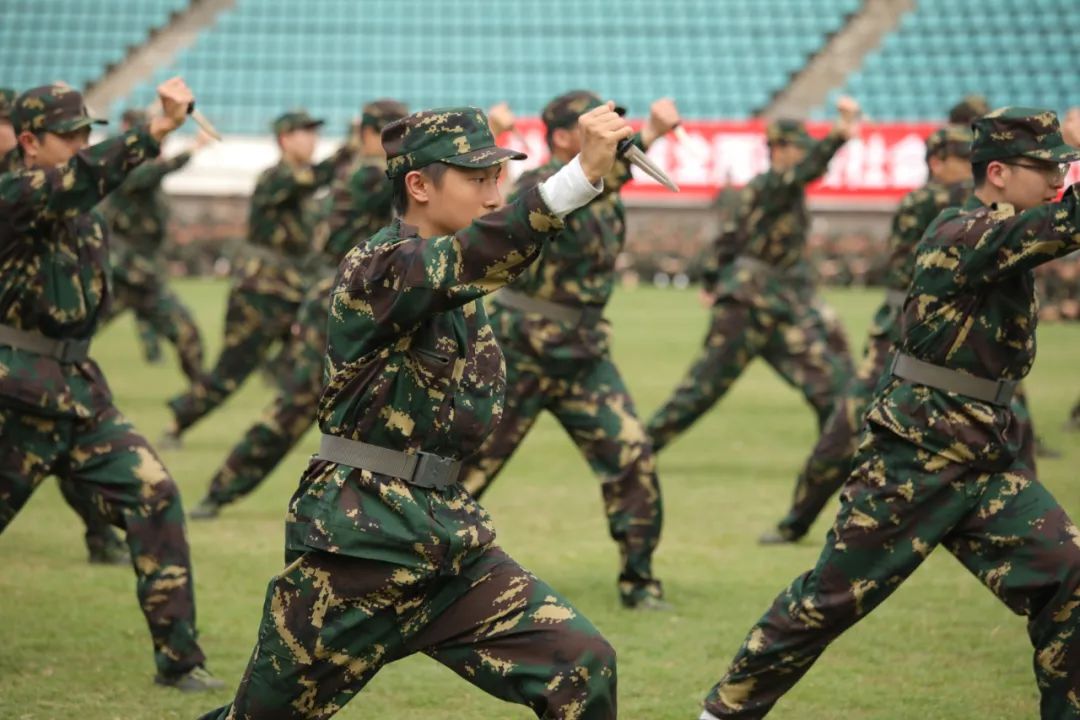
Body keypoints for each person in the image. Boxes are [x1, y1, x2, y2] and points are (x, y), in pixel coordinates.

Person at [199, 103, 630, 719]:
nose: (493, 194)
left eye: (497, 178)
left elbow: (485, 259)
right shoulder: (380, 267)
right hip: (360, 548)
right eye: (477, 179)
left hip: (446, 542)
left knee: (581, 663)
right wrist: (577, 176)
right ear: (420, 185)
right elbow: (479, 253)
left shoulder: (459, 285)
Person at [700, 107, 1080, 720]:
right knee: (828, 600)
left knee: (1070, 580)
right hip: (917, 458)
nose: (1058, 179)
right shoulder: (964, 231)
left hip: (983, 454)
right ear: (1000, 173)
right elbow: (1069, 222)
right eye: (1048, 167)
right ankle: (721, 712)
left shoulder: (1002, 234)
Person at [0, 78, 223, 691]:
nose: (80, 144)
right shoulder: (16, 193)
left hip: (77, 391)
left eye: (84, 133)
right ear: (29, 142)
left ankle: (179, 662)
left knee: (154, 495)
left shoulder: (83, 211)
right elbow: (84, 177)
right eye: (67, 135)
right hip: (14, 396)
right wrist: (156, 130)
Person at [459, 90, 680, 609]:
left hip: (583, 356)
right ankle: (412, 566)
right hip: (521, 353)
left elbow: (603, 184)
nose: (617, 135)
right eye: (602, 128)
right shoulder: (541, 184)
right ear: (562, 137)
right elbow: (579, 188)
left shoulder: (608, 190)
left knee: (632, 457)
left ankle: (640, 582)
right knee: (465, 469)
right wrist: (650, 136)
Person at [188, 99, 408, 519]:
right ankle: (222, 487)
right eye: (392, 136)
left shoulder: (368, 172)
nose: (401, 146)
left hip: (365, 303)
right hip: (331, 302)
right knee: (296, 402)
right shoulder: (368, 175)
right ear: (368, 136)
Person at [759, 123, 974, 544]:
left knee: (989, 429)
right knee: (847, 428)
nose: (971, 169)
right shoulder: (929, 202)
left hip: (953, 337)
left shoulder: (969, 203)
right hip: (903, 334)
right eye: (963, 160)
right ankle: (797, 520)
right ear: (937, 162)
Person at [646, 98, 862, 452]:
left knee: (831, 386)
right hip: (746, 307)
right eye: (800, 150)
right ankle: (637, 452)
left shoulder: (781, 192)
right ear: (780, 149)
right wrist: (839, 133)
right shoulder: (770, 186)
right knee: (700, 391)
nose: (805, 158)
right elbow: (732, 238)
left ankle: (837, 461)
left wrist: (711, 280)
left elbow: (729, 239)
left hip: (779, 305)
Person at [161, 109, 359, 447]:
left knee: (318, 363)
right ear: (285, 139)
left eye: (314, 132)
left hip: (294, 291)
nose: (312, 139)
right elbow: (315, 177)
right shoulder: (276, 178)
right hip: (260, 294)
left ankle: (326, 435)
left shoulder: (303, 190)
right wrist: (351, 147)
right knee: (231, 372)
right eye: (304, 132)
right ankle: (178, 422)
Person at [100, 108, 210, 387]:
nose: (162, 146)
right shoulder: (125, 169)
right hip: (119, 273)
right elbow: (153, 172)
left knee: (185, 331)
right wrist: (193, 148)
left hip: (146, 277)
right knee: (72, 332)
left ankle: (199, 393)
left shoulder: (150, 177)